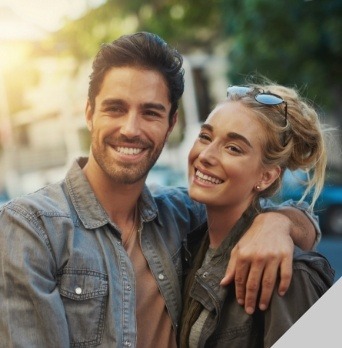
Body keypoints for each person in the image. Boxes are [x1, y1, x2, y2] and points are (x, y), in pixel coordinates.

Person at [0, 32, 318, 348]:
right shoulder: (30, 226)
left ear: (171, 124)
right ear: (88, 114)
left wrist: (278, 222)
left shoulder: (180, 214)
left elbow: (264, 218)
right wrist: (278, 223)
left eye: (150, 113)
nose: (130, 129)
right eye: (115, 109)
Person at [179, 83, 335, 348]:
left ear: (266, 176)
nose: (205, 156)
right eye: (205, 137)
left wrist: (280, 221)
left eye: (233, 148)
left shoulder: (284, 272)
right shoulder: (187, 240)